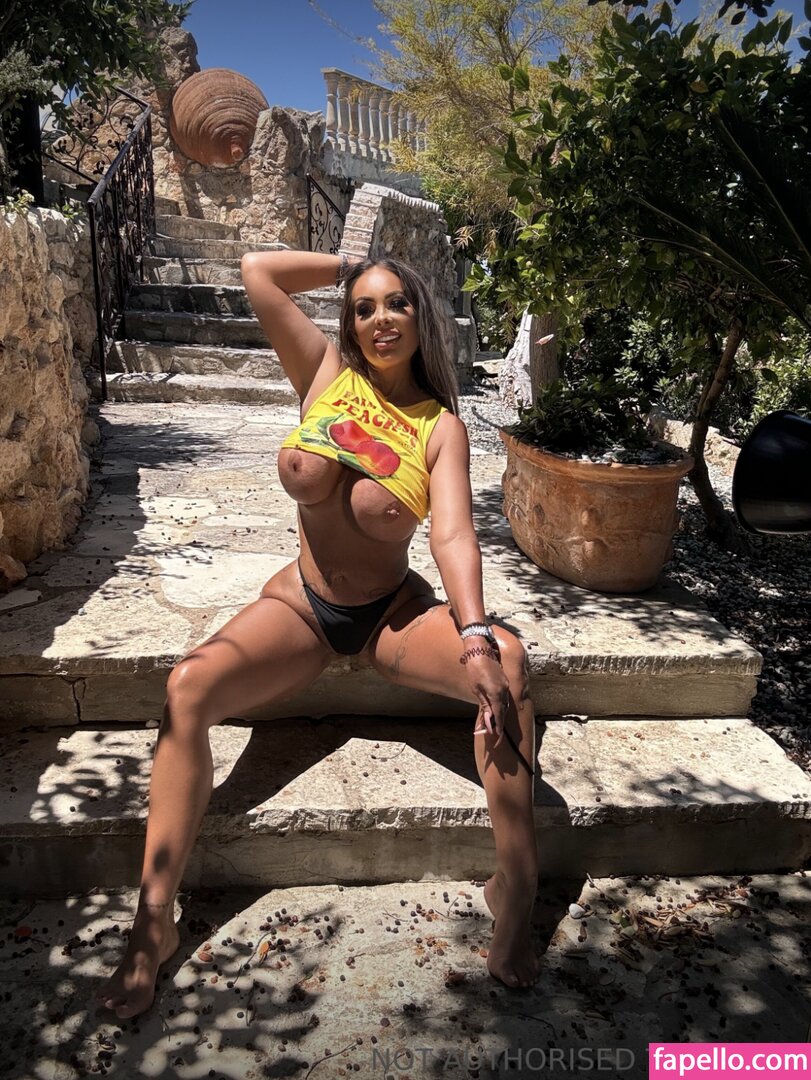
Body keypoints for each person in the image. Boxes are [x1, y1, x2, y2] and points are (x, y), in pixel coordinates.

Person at [95, 250, 540, 1019]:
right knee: (187, 687)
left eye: (396, 303)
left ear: (420, 316)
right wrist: (351, 262)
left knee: (507, 663)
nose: (380, 319)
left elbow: (453, 536)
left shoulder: (438, 427)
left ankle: (517, 886)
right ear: (349, 322)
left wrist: (472, 635)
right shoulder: (325, 374)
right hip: (302, 607)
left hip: (389, 617)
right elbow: (258, 272)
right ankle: (154, 918)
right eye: (364, 307)